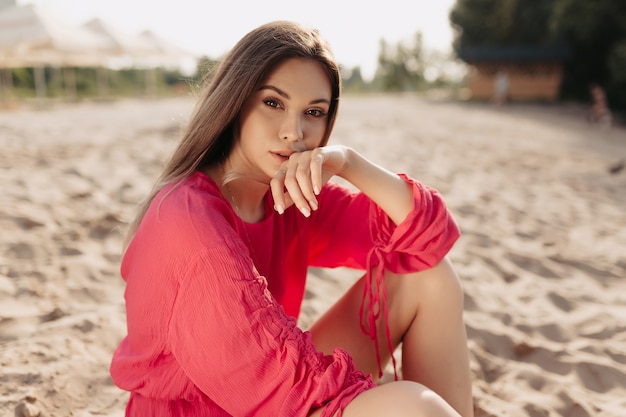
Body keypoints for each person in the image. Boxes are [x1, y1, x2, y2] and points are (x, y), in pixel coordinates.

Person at [110, 20, 474, 417]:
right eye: (273, 103)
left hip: (267, 384)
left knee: (428, 276)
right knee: (413, 407)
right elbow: (275, 388)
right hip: (207, 408)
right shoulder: (189, 223)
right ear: (235, 101)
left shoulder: (287, 194)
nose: (294, 132)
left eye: (313, 112)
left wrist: (349, 162)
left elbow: (429, 237)